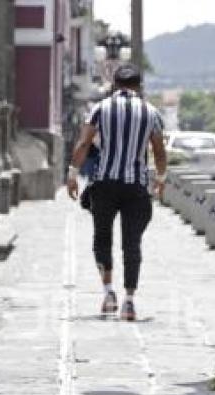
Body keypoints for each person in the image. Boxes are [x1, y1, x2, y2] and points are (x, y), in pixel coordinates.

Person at [66, 64, 167, 321]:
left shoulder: (100, 108)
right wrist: (161, 179)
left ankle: (109, 293)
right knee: (132, 243)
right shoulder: (151, 112)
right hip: (136, 185)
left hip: (104, 183)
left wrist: (72, 174)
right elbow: (158, 150)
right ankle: (129, 302)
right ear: (138, 86)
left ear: (114, 84)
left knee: (102, 238)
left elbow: (84, 142)